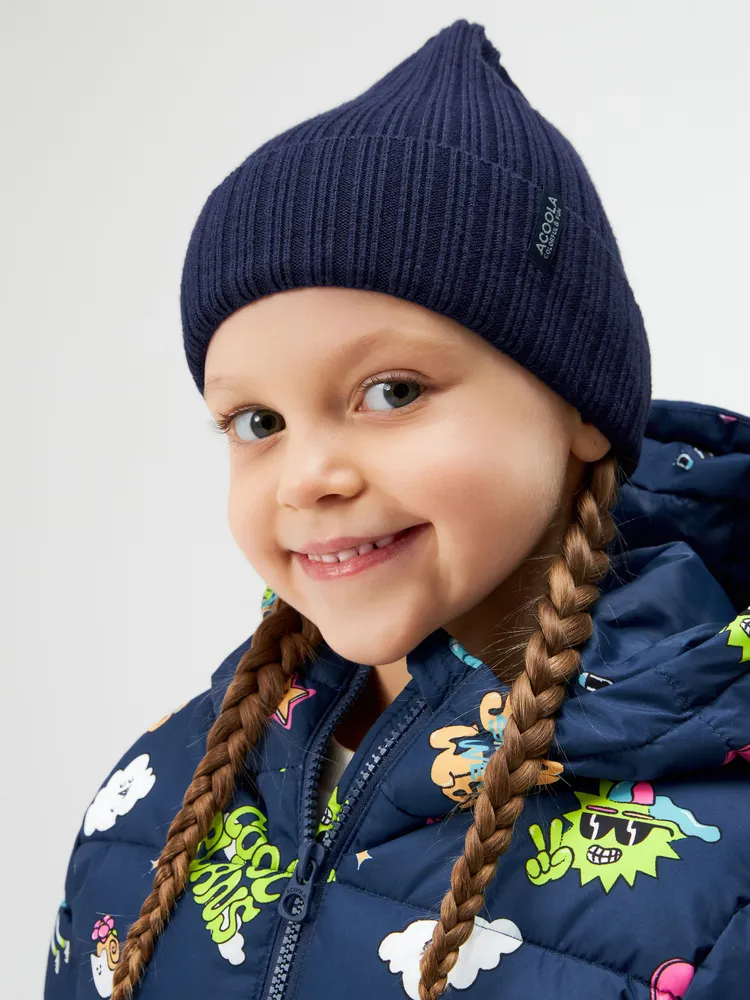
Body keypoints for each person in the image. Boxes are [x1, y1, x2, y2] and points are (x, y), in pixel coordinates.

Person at [44, 18, 750, 1000]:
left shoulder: (726, 884)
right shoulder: (156, 800)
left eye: (392, 392)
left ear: (581, 410)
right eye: (257, 421)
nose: (306, 477)